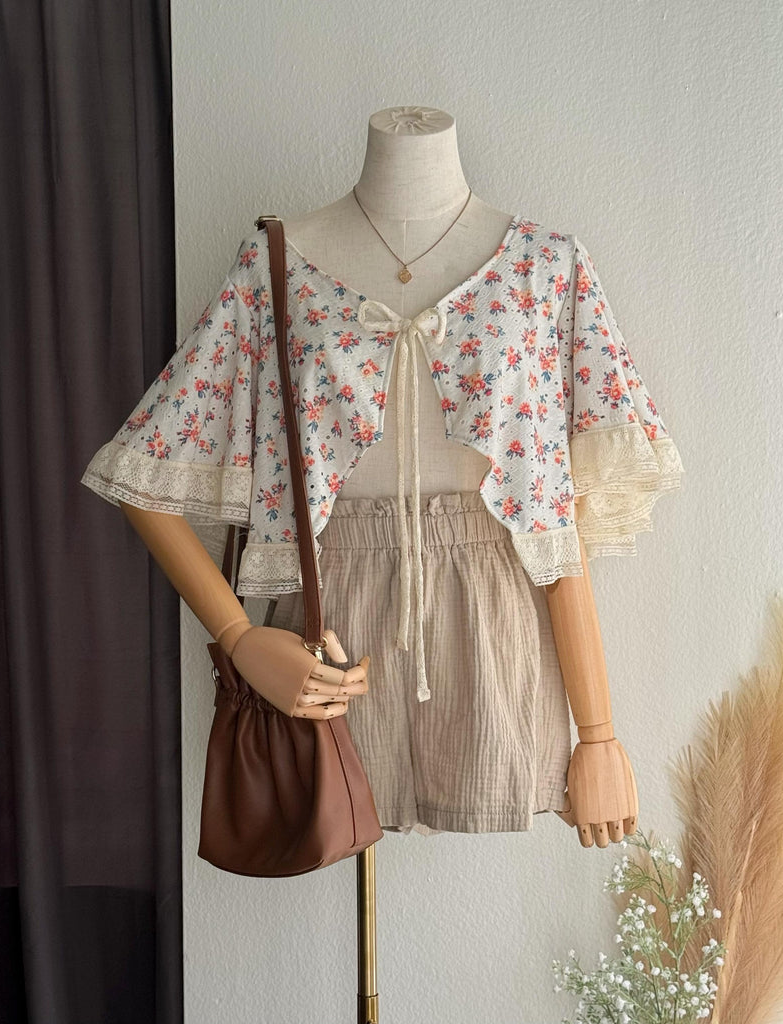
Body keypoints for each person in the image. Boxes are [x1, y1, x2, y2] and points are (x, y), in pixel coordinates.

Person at [81, 105, 682, 847]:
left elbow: (557, 519)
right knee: (334, 823)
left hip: (493, 617)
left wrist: (599, 736)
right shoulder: (277, 265)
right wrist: (237, 638)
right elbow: (141, 471)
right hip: (324, 631)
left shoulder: (545, 269)